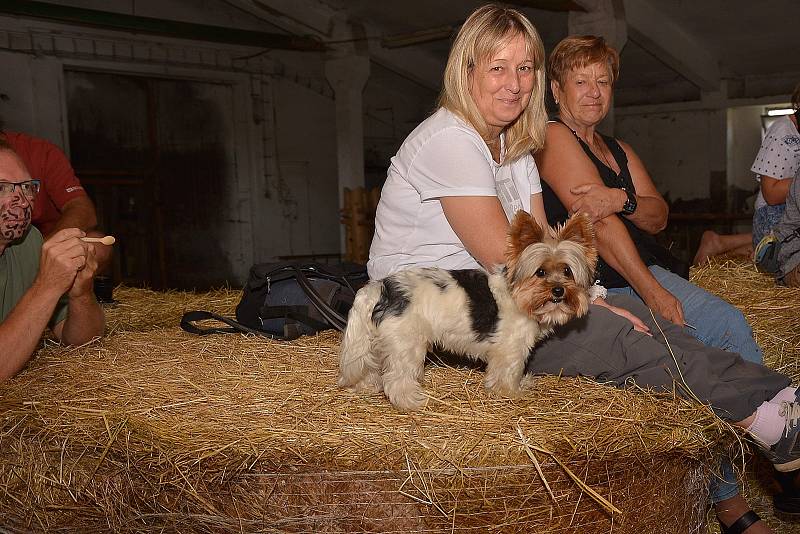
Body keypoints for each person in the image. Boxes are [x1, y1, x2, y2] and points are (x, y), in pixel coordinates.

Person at [367, 9, 786, 534]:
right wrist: (596, 311)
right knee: (618, 338)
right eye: (498, 68)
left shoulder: (517, 146)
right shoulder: (449, 139)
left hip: (499, 296)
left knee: (641, 313)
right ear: (466, 69)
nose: (515, 84)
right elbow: (509, 257)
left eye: (525, 69)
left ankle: (779, 398)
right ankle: (763, 412)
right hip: (438, 310)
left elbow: (548, 245)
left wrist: (603, 297)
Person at [531, 34, 781, 533]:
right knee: (696, 342)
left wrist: (619, 198)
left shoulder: (618, 149)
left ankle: (765, 452)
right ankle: (734, 496)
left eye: (603, 81)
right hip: (605, 280)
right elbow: (599, 226)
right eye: (581, 81)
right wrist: (653, 291)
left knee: (728, 327)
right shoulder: (555, 137)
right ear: (557, 90)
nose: (594, 92)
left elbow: (657, 215)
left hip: (646, 264)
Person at [0, 140, 106, 380]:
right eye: (2, 188)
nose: (22, 200)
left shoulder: (29, 242)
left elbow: (84, 341)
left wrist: (81, 294)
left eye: (27, 187)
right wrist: (47, 285)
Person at [692, 82, 800, 267]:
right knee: (778, 256)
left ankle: (718, 246)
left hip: (788, 215)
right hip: (774, 214)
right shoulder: (783, 131)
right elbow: (771, 193)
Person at [0, 129, 113, 278]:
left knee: (98, 246)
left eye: (28, 186)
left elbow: (82, 208)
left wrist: (46, 250)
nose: (22, 201)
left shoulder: (40, 152)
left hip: (42, 241)